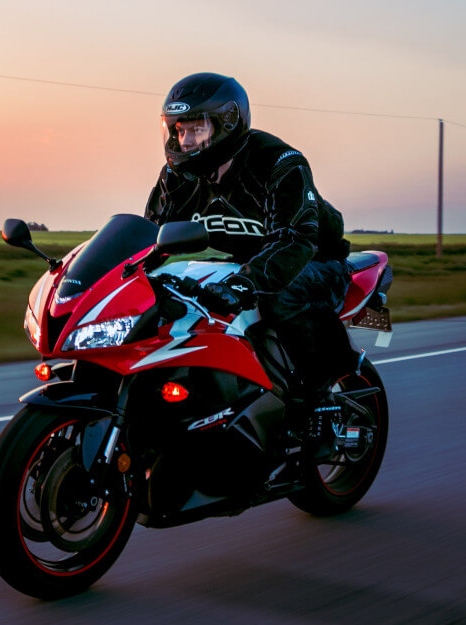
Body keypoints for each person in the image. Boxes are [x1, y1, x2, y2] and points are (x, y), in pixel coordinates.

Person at [143, 72, 359, 447]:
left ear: (227, 124)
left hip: (313, 260)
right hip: (248, 260)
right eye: (179, 130)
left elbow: (295, 240)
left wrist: (244, 283)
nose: (185, 140)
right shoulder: (178, 176)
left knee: (276, 295)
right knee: (178, 296)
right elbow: (150, 234)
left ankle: (317, 403)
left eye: (197, 129)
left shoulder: (279, 162)